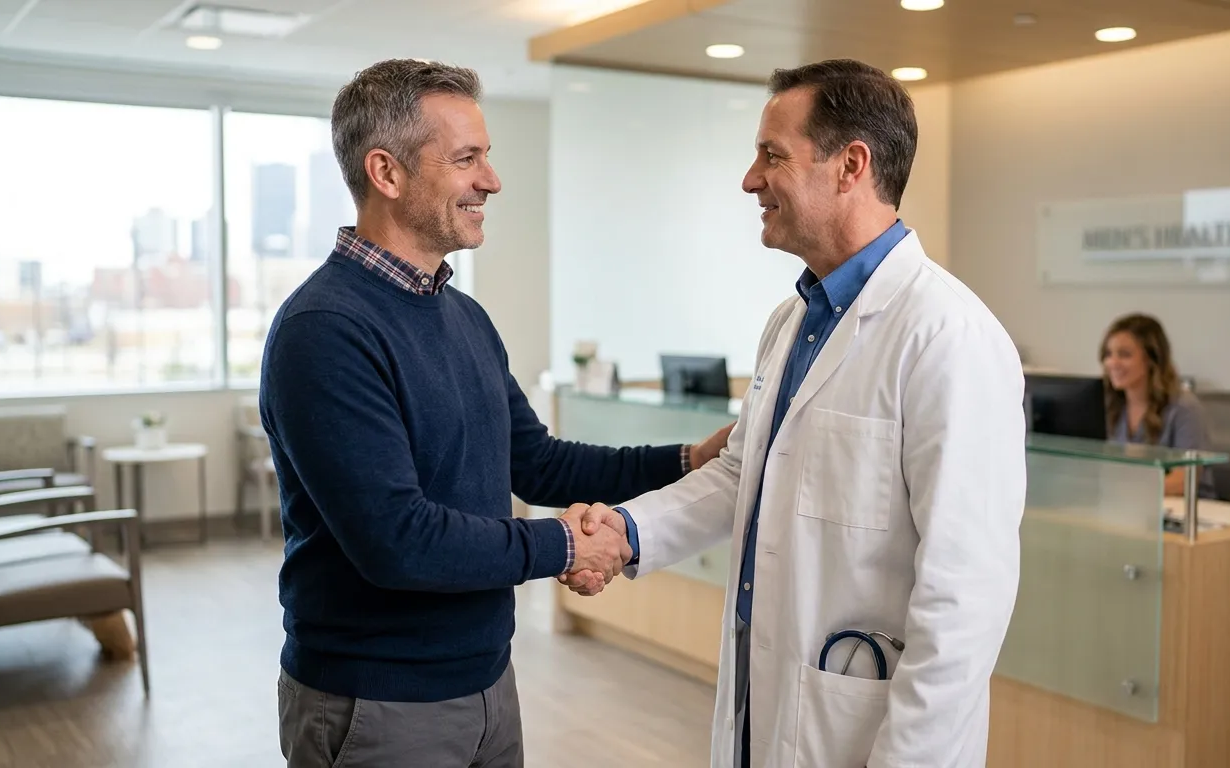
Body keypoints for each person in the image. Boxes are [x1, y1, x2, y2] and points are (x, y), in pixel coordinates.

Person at [258, 58, 732, 768]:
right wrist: (568, 546)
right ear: (386, 173)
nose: (492, 180)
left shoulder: (463, 316)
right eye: (466, 159)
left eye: (487, 157)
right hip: (379, 705)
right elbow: (400, 540)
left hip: (485, 681)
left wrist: (689, 459)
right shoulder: (325, 329)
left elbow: (537, 462)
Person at [563, 59, 1026, 768]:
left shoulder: (947, 337)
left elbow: (966, 594)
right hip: (768, 707)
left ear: (851, 166)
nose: (751, 179)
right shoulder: (793, 321)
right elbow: (743, 473)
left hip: (869, 734)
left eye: (771, 156)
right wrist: (629, 532)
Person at [1100, 312, 1216, 498]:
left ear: (1151, 359)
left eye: (1124, 354)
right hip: (1128, 508)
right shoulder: (1111, 406)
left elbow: (1184, 480)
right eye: (1108, 354)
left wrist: (1126, 492)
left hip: (1187, 513)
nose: (1113, 363)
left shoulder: (1184, 408)